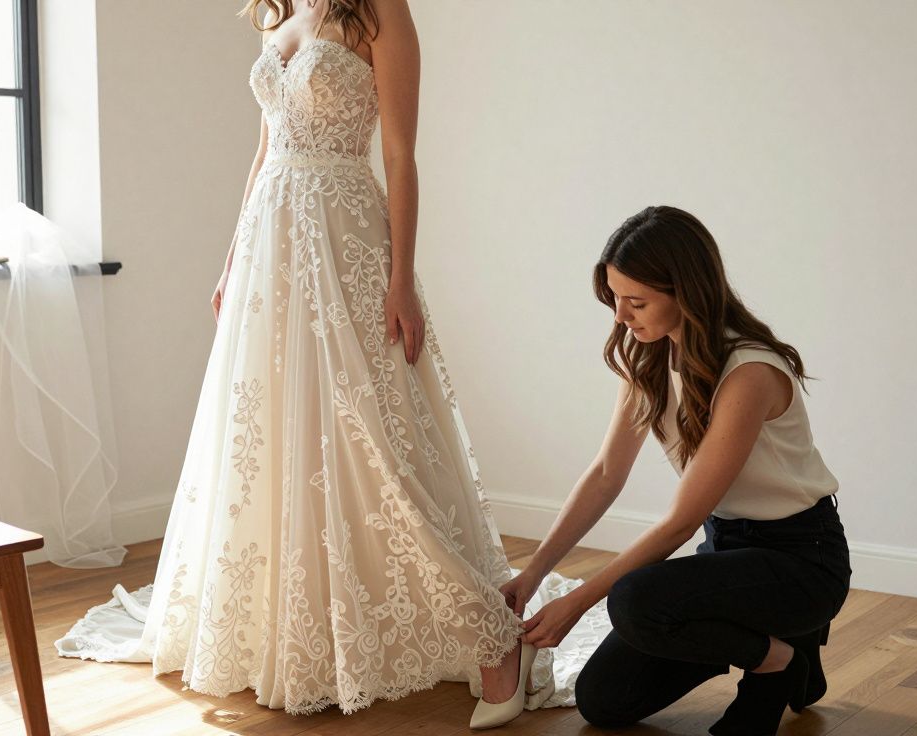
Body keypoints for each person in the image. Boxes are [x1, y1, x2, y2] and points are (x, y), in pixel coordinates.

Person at [56, 1, 594, 722]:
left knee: (372, 435)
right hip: (269, 244)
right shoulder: (281, 14)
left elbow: (400, 154)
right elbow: (263, 151)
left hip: (343, 239)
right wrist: (230, 259)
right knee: (276, 434)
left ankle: (491, 633)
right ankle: (299, 619)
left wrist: (401, 278)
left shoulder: (380, 11)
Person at [502, 205, 851, 735]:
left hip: (801, 561)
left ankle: (776, 660)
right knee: (604, 701)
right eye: (615, 299)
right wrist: (535, 572)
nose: (621, 315)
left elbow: (680, 523)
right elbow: (604, 476)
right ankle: (788, 645)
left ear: (685, 291)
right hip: (728, 551)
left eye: (635, 301)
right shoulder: (649, 359)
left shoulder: (750, 371)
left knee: (633, 599)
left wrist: (576, 602)